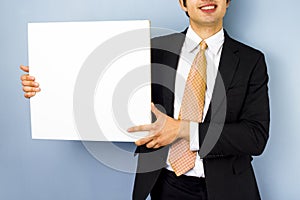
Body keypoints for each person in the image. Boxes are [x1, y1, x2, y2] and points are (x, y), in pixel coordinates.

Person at [21, 0, 270, 199]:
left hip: (229, 188)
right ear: (183, 3)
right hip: (166, 185)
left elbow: (255, 137)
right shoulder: (152, 51)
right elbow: (99, 88)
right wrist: (46, 85)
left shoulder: (251, 61)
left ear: (228, 2)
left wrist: (184, 130)